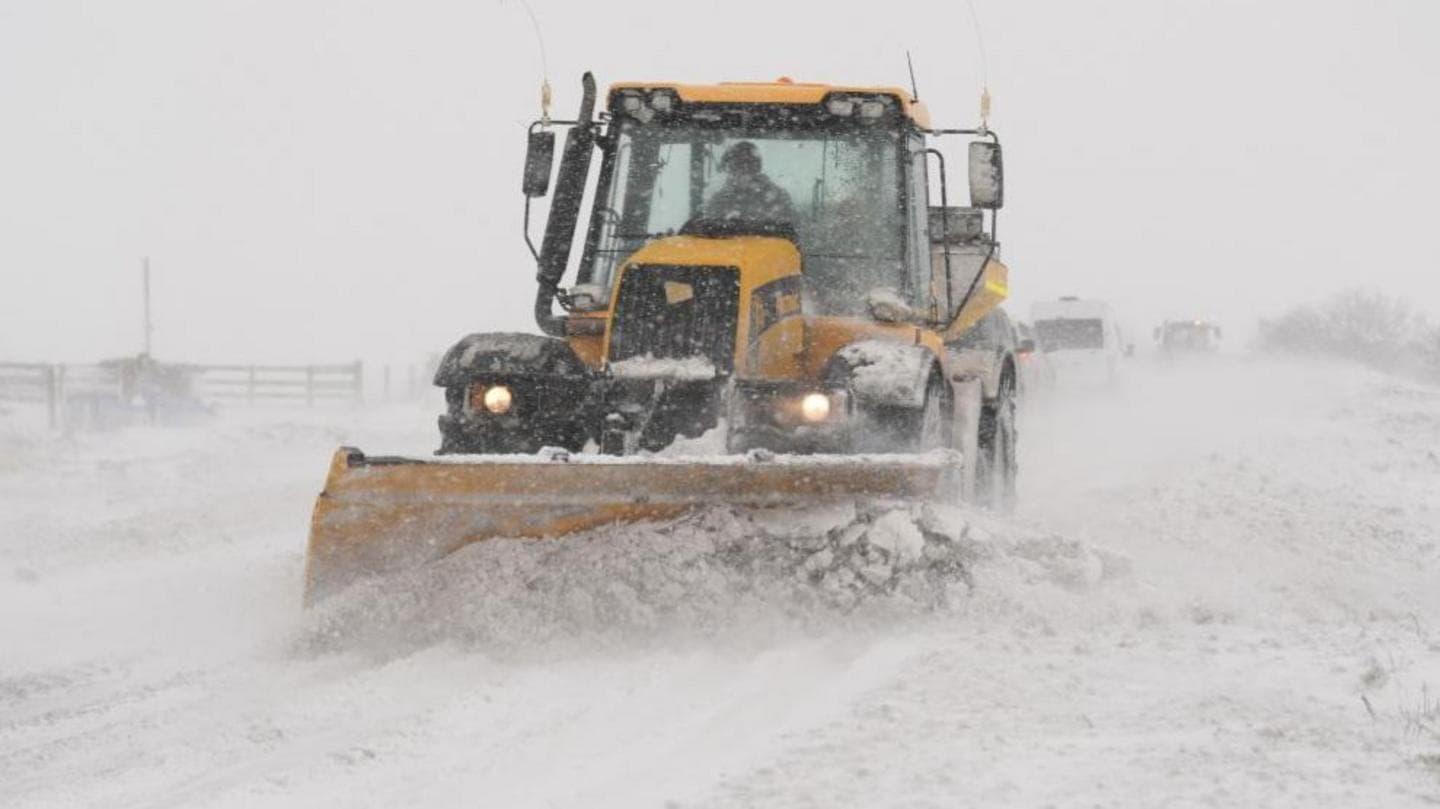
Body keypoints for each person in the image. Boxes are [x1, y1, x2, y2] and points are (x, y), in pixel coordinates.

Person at [704, 141, 796, 224]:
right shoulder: (719, 201)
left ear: (755, 168)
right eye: (735, 167)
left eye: (748, 165)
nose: (742, 172)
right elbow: (706, 231)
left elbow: (790, 232)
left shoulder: (778, 198)